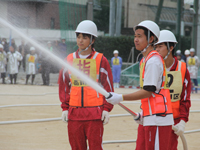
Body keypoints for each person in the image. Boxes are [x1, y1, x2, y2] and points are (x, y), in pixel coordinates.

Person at [106, 20, 174, 150]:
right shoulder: (146, 60)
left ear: (151, 39)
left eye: (140, 36)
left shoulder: (153, 61)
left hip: (158, 119)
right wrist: (143, 113)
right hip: (152, 117)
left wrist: (121, 97)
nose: (136, 39)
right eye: (135, 36)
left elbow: (148, 91)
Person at [58, 20, 113, 150]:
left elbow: (108, 86)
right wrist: (65, 108)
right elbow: (64, 85)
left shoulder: (101, 60)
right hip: (74, 115)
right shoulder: (69, 59)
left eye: (85, 37)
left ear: (92, 40)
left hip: (95, 115)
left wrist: (106, 108)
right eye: (78, 36)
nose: (80, 40)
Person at [155, 30, 191, 150]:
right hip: (153, 119)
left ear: (171, 48)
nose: (157, 50)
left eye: (160, 46)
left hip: (173, 122)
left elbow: (185, 98)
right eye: (155, 46)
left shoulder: (182, 69)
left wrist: (182, 121)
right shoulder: (152, 66)